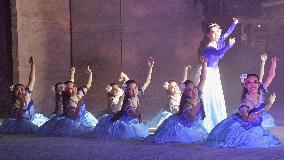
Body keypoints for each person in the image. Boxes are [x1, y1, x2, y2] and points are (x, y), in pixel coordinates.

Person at [205, 57, 281, 148]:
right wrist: (247, 118)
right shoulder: (246, 100)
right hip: (245, 126)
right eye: (249, 82)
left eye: (255, 82)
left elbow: (271, 76)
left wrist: (273, 63)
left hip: (256, 126)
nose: (252, 85)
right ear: (245, 85)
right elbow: (244, 114)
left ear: (258, 84)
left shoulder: (261, 91)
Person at [146, 57, 208, 143]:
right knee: (177, 136)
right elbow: (192, 119)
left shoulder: (197, 92)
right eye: (190, 90)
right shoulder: (187, 104)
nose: (193, 90)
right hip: (186, 126)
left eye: (194, 87)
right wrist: (194, 106)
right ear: (185, 93)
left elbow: (203, 79)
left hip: (195, 126)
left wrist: (204, 64)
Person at [92, 57, 154, 139]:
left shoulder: (138, 94)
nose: (134, 90)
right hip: (126, 122)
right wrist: (137, 108)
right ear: (126, 91)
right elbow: (133, 114)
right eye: (130, 89)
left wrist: (150, 67)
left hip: (133, 120)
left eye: (135, 88)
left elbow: (147, 81)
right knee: (127, 133)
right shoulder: (128, 102)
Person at [201, 18, 238, 132]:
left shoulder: (219, 41)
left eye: (217, 31)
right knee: (208, 97)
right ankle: (206, 123)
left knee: (216, 97)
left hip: (215, 72)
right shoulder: (209, 47)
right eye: (213, 32)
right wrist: (229, 45)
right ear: (208, 34)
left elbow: (227, 32)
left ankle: (218, 121)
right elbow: (218, 53)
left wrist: (234, 23)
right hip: (207, 73)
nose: (216, 34)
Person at [39, 66, 98, 136]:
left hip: (84, 116)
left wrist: (90, 73)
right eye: (69, 89)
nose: (73, 89)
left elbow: (88, 84)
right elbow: (75, 117)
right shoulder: (70, 101)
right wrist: (79, 105)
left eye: (74, 86)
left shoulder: (80, 92)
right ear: (66, 91)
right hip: (76, 120)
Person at [0, 57, 48, 134]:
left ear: (25, 90)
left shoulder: (27, 94)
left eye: (22, 89)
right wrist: (22, 104)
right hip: (21, 121)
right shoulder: (16, 104)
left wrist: (33, 65)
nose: (20, 91)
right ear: (14, 93)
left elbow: (32, 79)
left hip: (32, 118)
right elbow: (19, 116)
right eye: (17, 90)